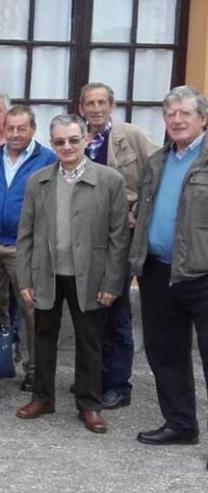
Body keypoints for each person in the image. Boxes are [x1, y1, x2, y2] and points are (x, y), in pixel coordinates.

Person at [15, 114, 128, 434]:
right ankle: (43, 397)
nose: (67, 146)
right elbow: (25, 235)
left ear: (86, 140)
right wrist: (25, 278)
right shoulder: (38, 181)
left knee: (90, 341)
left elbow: (118, 237)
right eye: (60, 141)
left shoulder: (110, 181)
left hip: (90, 275)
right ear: (52, 144)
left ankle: (89, 405)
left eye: (73, 140)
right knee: (44, 337)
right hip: (47, 273)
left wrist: (112, 281)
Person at [129, 86, 208, 450]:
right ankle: (180, 424)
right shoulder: (158, 160)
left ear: (203, 119)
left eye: (185, 114)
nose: (176, 120)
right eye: (170, 114)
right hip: (158, 271)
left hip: (202, 274)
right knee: (165, 354)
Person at [78, 82, 160, 410]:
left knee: (116, 309)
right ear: (82, 107)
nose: (96, 108)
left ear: (112, 105)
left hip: (120, 238)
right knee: (90, 309)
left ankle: (118, 385)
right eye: (90, 103)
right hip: (86, 236)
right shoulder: (79, 138)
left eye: (101, 102)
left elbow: (159, 171)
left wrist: (139, 209)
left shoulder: (132, 136)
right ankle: (93, 377)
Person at [0, 105, 56, 392]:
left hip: (25, 246)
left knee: (32, 308)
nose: (15, 134)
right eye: (11, 128)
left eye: (22, 128)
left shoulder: (47, 159)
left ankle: (34, 369)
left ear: (32, 129)